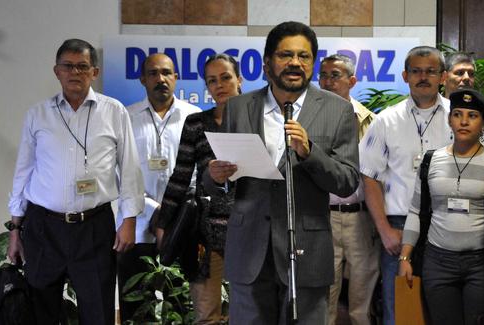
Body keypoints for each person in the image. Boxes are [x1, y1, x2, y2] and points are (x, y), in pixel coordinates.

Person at [204, 21, 359, 324]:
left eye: (304, 57)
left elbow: (346, 180)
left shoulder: (336, 110)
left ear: (313, 63)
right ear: (266, 63)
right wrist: (216, 177)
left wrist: (309, 152)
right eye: (285, 55)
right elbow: (219, 179)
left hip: (307, 252)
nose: (294, 63)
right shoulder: (238, 107)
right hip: (250, 249)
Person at [6, 38, 144, 325]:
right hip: (44, 228)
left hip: (94, 228)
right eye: (68, 66)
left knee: (98, 312)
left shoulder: (114, 111)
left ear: (94, 72)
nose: (75, 73)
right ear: (57, 71)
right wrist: (16, 229)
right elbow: (24, 172)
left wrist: (128, 218)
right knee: (42, 311)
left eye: (83, 67)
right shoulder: (38, 114)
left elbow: (129, 167)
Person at [359, 46, 453, 325]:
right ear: (405, 75)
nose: (423, 77)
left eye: (430, 71)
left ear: (443, 76)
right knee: (400, 313)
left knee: (442, 312)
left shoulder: (458, 117)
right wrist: (385, 230)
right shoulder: (386, 120)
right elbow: (369, 176)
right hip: (399, 229)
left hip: (447, 226)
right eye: (416, 71)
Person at [399, 88, 484, 325]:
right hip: (438, 259)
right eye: (457, 114)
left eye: (472, 116)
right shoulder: (432, 159)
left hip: (480, 262)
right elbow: (415, 210)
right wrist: (405, 257)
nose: (463, 121)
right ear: (449, 119)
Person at [155, 53, 241, 324]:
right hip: (207, 234)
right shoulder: (196, 124)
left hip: (251, 235)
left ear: (239, 79)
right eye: (212, 80)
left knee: (250, 314)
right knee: (206, 316)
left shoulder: (258, 121)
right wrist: (164, 222)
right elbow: (180, 177)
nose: (220, 85)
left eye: (225, 77)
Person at [117, 53, 201, 321]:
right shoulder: (125, 118)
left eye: (167, 73)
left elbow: (200, 172)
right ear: (142, 79)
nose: (160, 79)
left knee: (180, 306)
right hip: (137, 229)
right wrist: (155, 212)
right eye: (153, 73)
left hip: (182, 228)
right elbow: (119, 174)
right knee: (136, 308)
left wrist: (174, 212)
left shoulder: (194, 116)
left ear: (176, 78)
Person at [318, 54, 379, 325]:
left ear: (352, 81)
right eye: (323, 75)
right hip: (323, 218)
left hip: (361, 219)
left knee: (361, 308)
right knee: (323, 305)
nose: (328, 82)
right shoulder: (308, 120)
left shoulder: (372, 122)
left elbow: (380, 173)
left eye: (335, 75)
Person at [443, 52, 484, 149]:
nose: (467, 78)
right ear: (444, 78)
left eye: (471, 74)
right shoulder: (435, 111)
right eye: (460, 73)